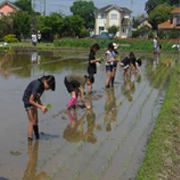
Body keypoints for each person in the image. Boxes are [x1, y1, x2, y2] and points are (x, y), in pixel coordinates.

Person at [22, 75, 56, 141]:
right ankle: (30, 142)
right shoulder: (37, 85)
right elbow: (30, 100)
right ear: (46, 82)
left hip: (33, 100)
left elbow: (38, 97)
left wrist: (42, 105)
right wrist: (40, 107)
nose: (48, 89)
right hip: (28, 100)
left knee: (36, 121)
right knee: (31, 122)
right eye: (49, 87)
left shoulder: (43, 87)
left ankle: (37, 138)